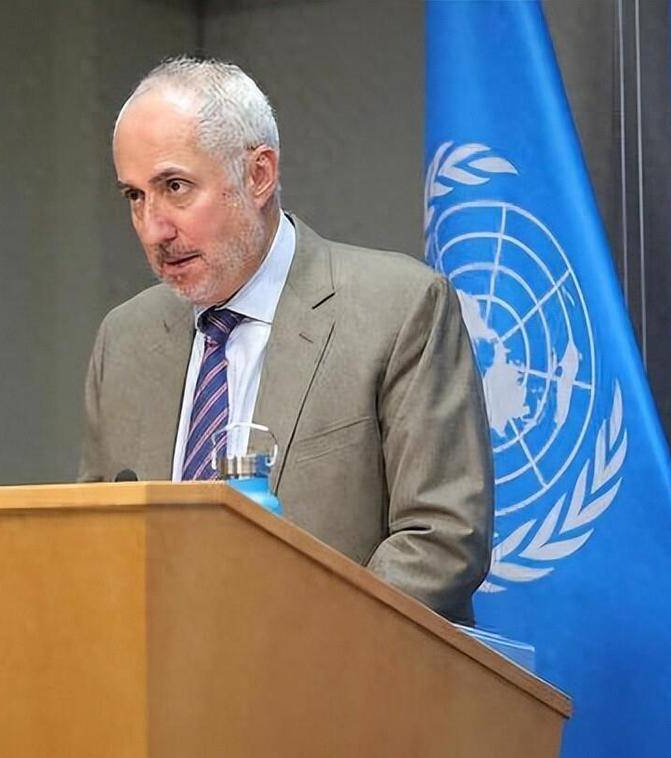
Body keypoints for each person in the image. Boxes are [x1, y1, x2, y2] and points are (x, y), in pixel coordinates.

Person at [77, 57, 493, 624]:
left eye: (175, 187)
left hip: (341, 670)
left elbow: (441, 538)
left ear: (258, 175)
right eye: (134, 196)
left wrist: (284, 652)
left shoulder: (398, 309)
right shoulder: (124, 339)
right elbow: (97, 545)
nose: (154, 229)